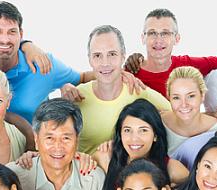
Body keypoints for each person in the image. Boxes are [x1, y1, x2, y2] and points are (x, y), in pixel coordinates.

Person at [0, 2, 84, 123]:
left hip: (32, 150)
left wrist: (66, 85)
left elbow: (85, 78)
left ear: (21, 34)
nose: (5, 40)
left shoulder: (43, 64)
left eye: (12, 32)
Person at [64, 25, 170, 154]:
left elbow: (177, 116)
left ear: (123, 56)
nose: (105, 63)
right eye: (97, 55)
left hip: (128, 172)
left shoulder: (136, 90)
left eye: (112, 54)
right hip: (87, 171)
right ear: (90, 59)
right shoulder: (75, 97)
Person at [92, 99, 187, 190]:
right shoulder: (105, 159)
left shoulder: (172, 169)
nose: (134, 138)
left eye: (143, 130)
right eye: (127, 130)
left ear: (155, 135)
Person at [162, 66, 217, 156]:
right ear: (169, 98)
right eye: (176, 97)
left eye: (191, 96)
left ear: (202, 95)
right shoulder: (159, 123)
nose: (184, 104)